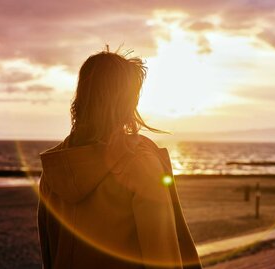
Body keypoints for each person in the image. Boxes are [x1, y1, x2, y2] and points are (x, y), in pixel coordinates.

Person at [37, 48, 202, 269]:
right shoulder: (139, 163)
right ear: (127, 102)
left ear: (82, 97)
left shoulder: (56, 167)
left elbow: (49, 253)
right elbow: (162, 257)